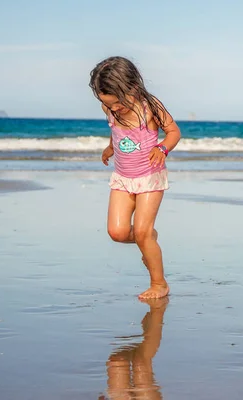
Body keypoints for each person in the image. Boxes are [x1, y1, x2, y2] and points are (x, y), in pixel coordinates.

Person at [89, 56, 181, 299]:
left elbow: (173, 131)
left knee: (141, 231)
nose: (114, 109)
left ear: (132, 88)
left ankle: (159, 284)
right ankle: (148, 239)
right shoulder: (108, 107)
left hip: (149, 177)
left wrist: (162, 149)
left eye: (117, 103)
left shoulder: (150, 107)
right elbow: (115, 130)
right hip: (122, 177)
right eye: (107, 104)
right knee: (117, 232)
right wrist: (110, 147)